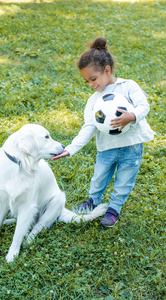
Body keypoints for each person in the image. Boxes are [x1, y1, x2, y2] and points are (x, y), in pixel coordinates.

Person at [52, 37, 154, 227]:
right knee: (99, 177)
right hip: (107, 147)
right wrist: (71, 149)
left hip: (131, 147)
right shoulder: (94, 101)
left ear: (107, 70)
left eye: (93, 79)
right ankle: (93, 200)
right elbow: (88, 127)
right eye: (87, 81)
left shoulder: (128, 86)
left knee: (124, 180)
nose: (91, 84)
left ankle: (114, 209)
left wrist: (131, 116)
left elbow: (144, 105)